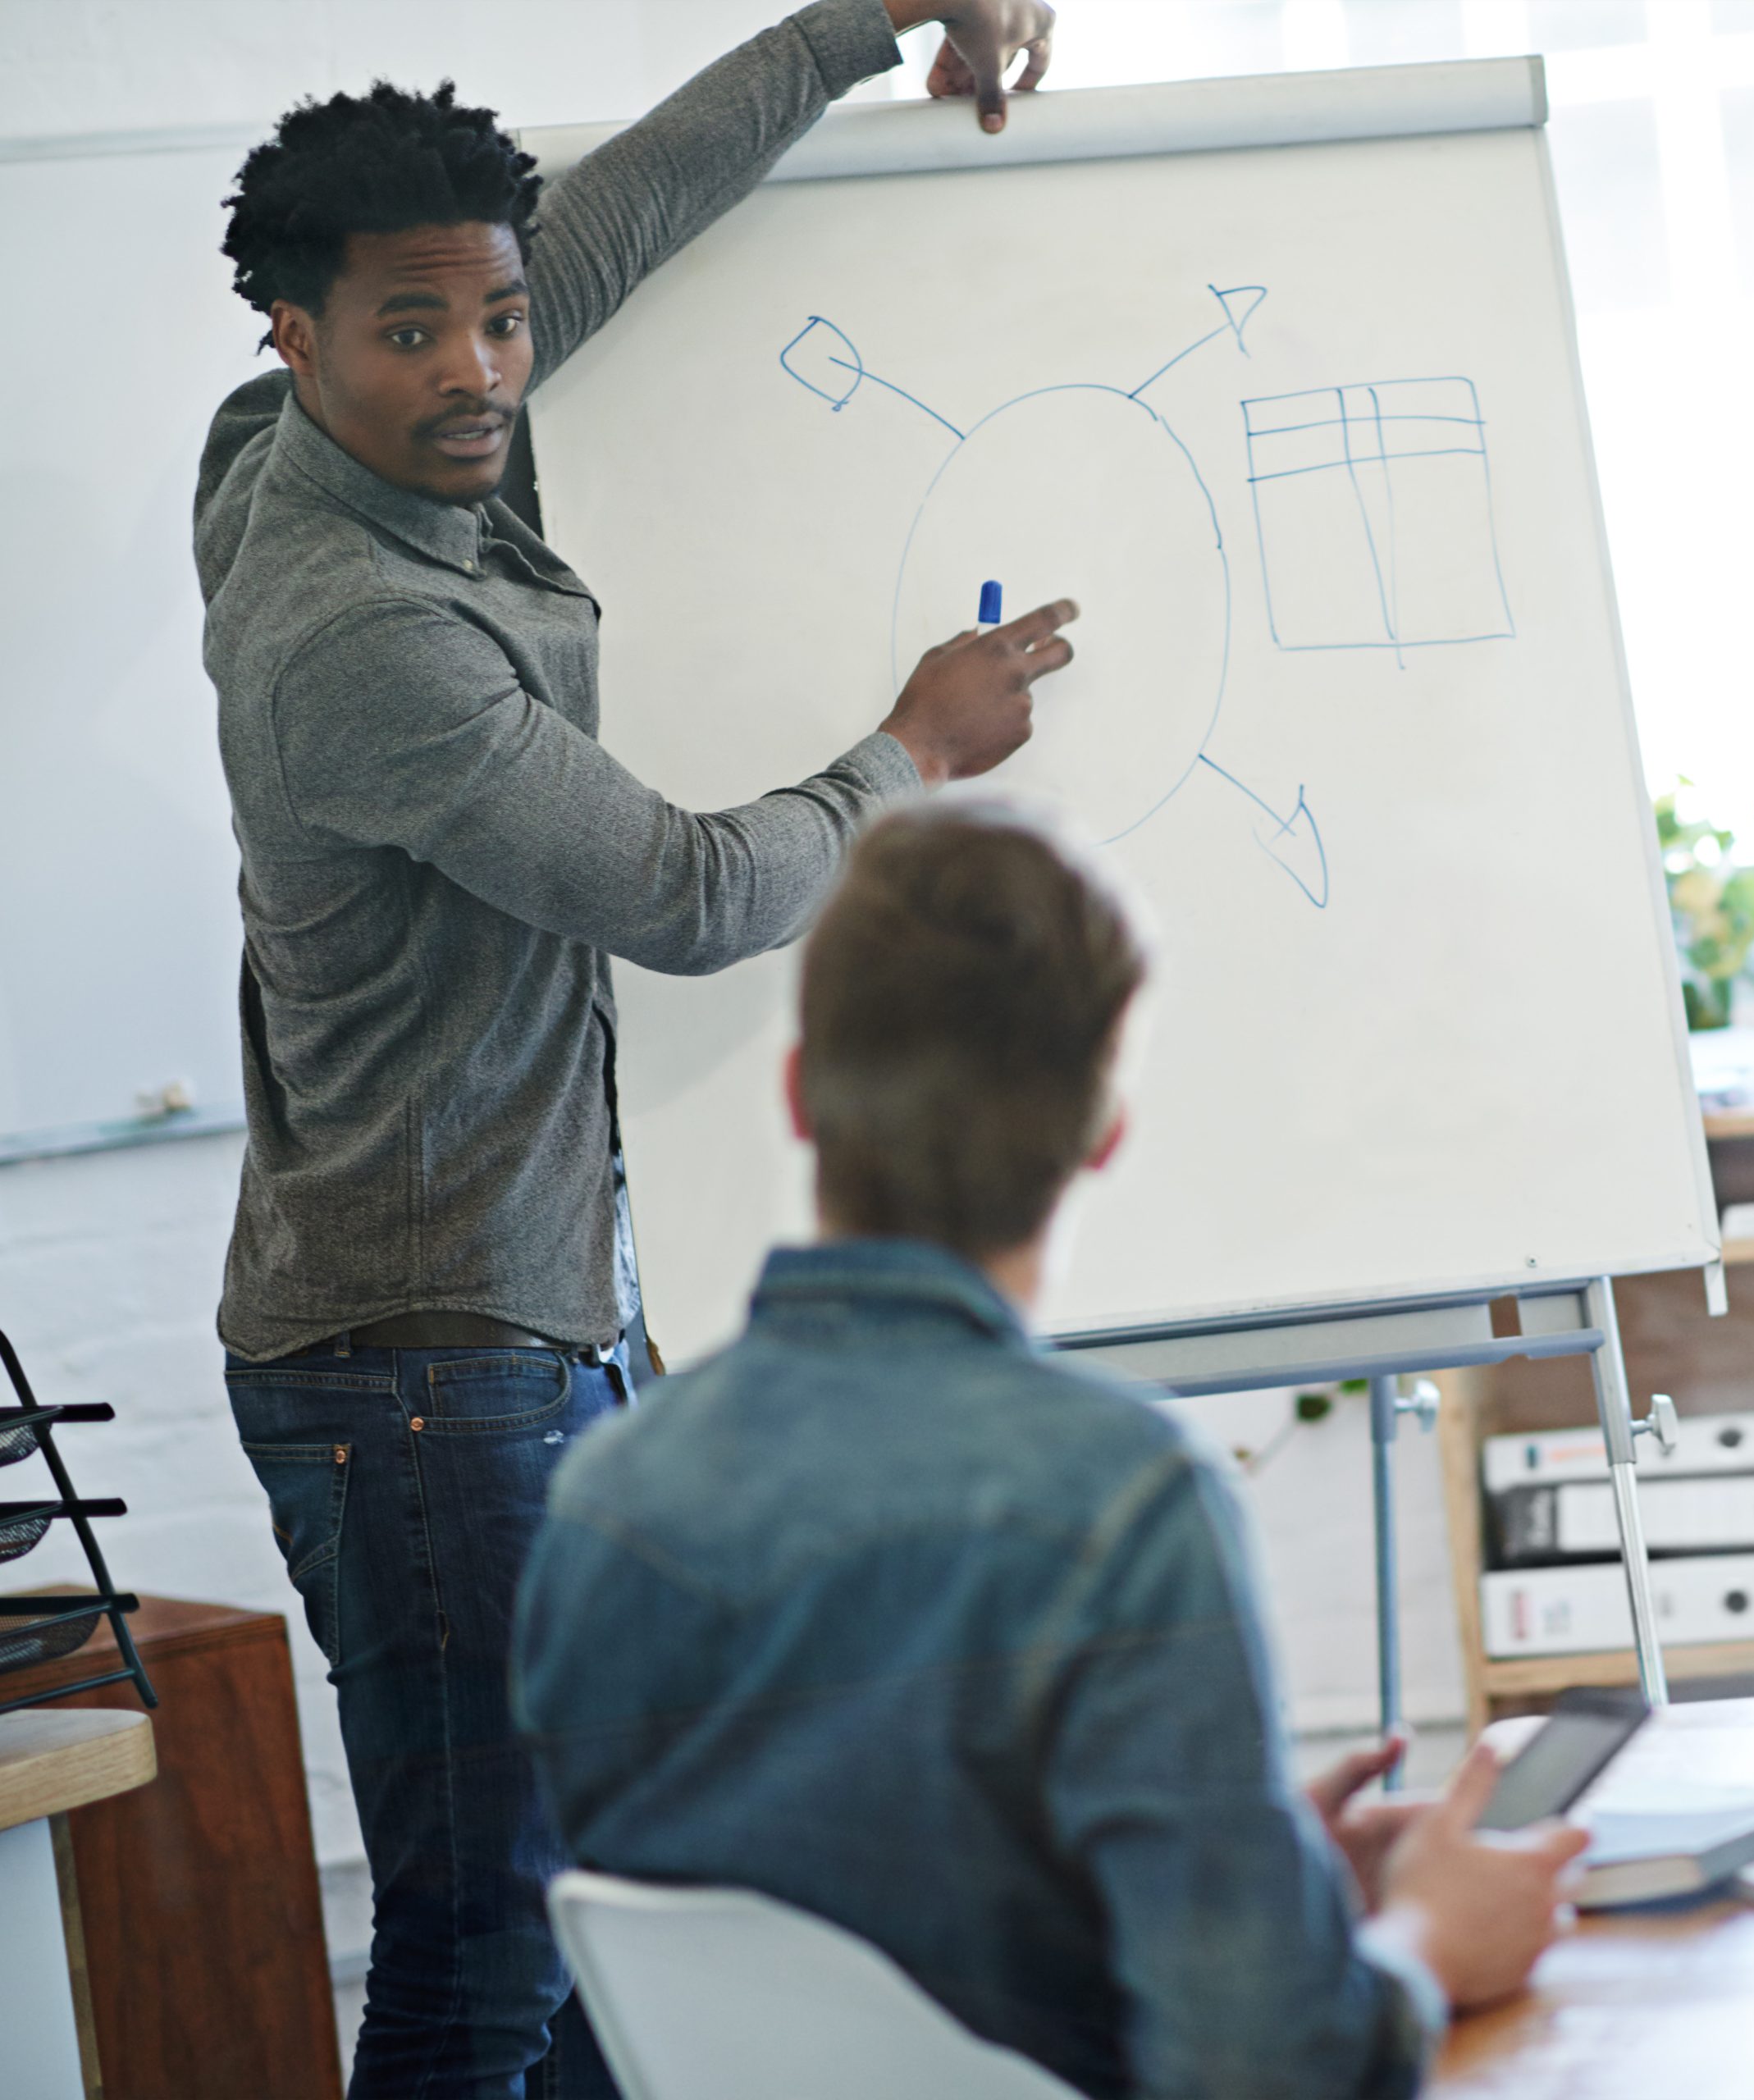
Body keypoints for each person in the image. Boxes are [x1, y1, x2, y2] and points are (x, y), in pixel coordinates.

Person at [200, 6, 1069, 2093]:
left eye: (495, 321)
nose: (480, 372)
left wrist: (866, 22)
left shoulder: (290, 429)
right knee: (484, 1959)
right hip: (429, 1374)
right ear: (298, 338)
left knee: (604, 1931)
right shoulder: (361, 633)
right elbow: (687, 893)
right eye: (412, 331)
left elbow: (610, 222)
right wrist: (910, 746)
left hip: (522, 1329)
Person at [514, 804, 1587, 2100]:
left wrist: (1245, 1889)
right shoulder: (1121, 1504)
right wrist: (1429, 1937)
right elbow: (1261, 2075)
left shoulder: (606, 1495)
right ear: (1102, 1129)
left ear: (798, 1095)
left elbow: (838, 1948)